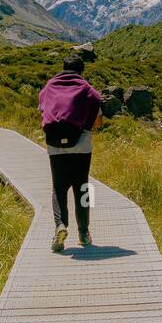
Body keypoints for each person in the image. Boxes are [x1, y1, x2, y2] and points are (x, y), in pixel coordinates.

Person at [38, 55, 103, 253]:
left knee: (59, 188)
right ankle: (84, 233)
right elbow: (98, 122)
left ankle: (60, 225)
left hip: (55, 146)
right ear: (81, 70)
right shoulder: (87, 90)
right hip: (82, 146)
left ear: (63, 67)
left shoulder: (49, 87)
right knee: (83, 188)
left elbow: (43, 114)